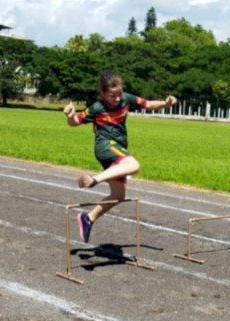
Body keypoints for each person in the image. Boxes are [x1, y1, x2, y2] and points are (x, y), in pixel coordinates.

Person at [63, 70, 177, 243]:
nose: (116, 98)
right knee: (134, 164)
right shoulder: (97, 108)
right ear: (102, 93)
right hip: (105, 147)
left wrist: (166, 103)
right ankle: (94, 180)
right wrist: (69, 115)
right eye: (111, 95)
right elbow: (74, 123)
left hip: (118, 149)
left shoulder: (127, 100)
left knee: (118, 195)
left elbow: (148, 104)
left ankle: (88, 218)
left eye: (119, 94)